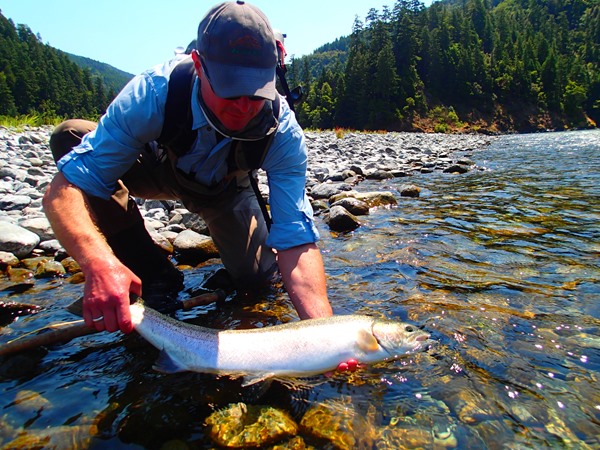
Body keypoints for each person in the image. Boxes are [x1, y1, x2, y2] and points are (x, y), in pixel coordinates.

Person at [43, 0, 333, 335]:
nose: (243, 106)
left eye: (256, 92)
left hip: (225, 190)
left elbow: (296, 240)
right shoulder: (153, 93)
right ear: (198, 65)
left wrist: (324, 333)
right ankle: (151, 271)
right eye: (230, 88)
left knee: (257, 279)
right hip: (154, 168)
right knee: (71, 136)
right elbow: (62, 190)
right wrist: (97, 261)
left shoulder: (282, 131)